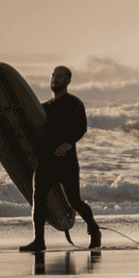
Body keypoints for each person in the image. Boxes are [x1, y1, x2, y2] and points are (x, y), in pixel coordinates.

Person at [24, 64, 102, 252]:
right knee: (39, 199)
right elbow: (30, 135)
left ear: (68, 81)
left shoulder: (75, 104)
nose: (55, 79)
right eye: (53, 75)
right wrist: (3, 149)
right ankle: (39, 241)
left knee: (74, 201)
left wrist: (68, 143)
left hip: (67, 163)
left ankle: (94, 230)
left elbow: (81, 128)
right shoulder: (42, 109)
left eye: (59, 76)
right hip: (46, 162)